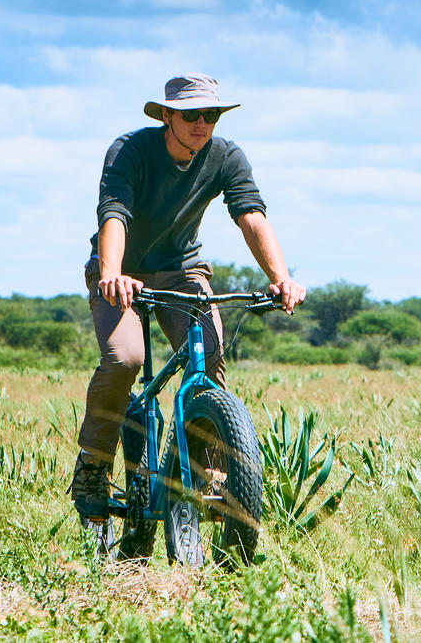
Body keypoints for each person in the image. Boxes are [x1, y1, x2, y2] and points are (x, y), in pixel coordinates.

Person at [69, 73, 306, 521]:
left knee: (208, 354)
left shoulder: (225, 156)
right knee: (125, 358)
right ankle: (93, 465)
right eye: (191, 114)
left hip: (183, 271)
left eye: (210, 114)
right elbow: (114, 213)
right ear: (166, 116)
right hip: (120, 271)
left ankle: (207, 472)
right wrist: (112, 274)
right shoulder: (130, 150)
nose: (202, 123)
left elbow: (251, 215)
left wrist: (281, 279)